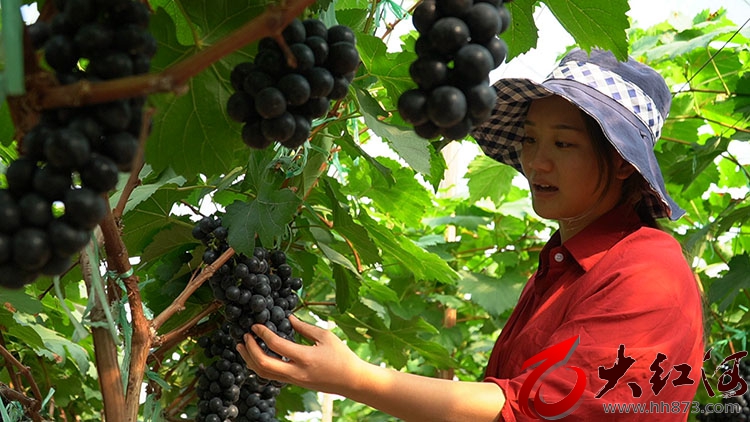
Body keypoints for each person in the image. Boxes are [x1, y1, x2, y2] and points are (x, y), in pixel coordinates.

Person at [236, 48, 705, 421]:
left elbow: (539, 409)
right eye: (529, 139)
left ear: (623, 162)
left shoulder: (648, 269)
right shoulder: (564, 265)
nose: (536, 162)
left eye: (563, 143)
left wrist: (356, 380)